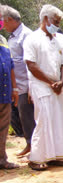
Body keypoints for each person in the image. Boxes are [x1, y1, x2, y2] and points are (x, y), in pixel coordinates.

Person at [23, 4, 63, 171]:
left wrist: (61, 81)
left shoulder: (59, 39)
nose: (57, 24)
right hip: (41, 85)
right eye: (55, 21)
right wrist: (51, 82)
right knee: (43, 120)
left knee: (58, 120)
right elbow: (31, 65)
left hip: (58, 87)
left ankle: (56, 156)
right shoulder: (32, 38)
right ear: (45, 19)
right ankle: (36, 158)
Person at [1, 5, 35, 156]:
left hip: (26, 85)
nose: (3, 25)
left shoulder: (26, 35)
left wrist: (31, 87)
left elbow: (30, 62)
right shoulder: (12, 36)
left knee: (28, 116)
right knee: (22, 116)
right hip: (17, 86)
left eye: (3, 21)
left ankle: (33, 146)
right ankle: (29, 144)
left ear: (9, 19)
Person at [0, 19, 19, 169]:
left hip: (5, 92)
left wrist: (14, 88)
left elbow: (10, 65)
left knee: (3, 128)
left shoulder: (3, 40)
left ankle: (2, 160)